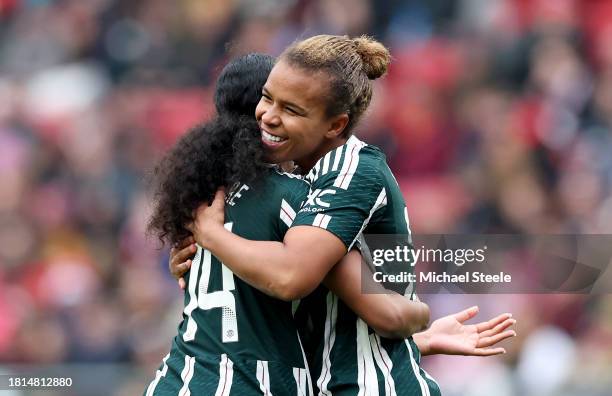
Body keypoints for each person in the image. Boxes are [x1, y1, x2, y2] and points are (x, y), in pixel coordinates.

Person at [183, 35, 515, 395]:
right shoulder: (299, 183)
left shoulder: (352, 171)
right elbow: (343, 325)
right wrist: (419, 335)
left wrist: (212, 236)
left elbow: (293, 274)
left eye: (292, 109)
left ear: (336, 125)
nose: (268, 116)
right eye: (267, 97)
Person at [144, 53, 432, 396]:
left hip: (176, 379)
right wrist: (422, 316)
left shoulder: (203, 198)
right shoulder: (297, 202)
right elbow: (384, 311)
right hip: (248, 386)